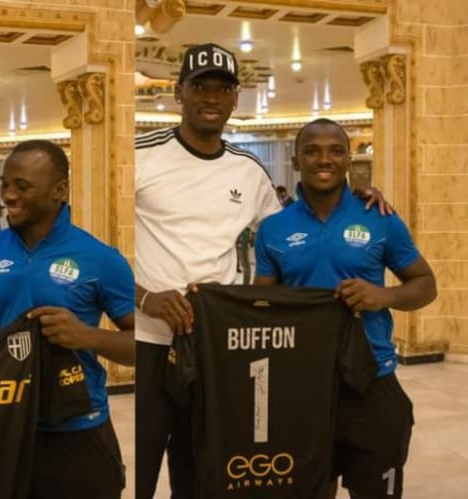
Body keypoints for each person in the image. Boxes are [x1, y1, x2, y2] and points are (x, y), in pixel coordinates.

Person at [134, 43, 392, 499]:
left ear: (235, 99)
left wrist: (354, 196)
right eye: (200, 87)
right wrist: (144, 299)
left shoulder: (248, 170)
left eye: (223, 88)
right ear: (178, 93)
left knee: (207, 459)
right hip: (150, 338)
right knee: (143, 461)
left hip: (217, 341)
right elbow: (96, 244)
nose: (211, 97)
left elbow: (287, 233)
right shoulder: (139, 155)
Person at [253, 119, 436, 499]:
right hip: (302, 385)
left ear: (349, 159)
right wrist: (210, 300)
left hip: (372, 381)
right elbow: (262, 306)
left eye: (336, 150)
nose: (325, 159)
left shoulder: (380, 217)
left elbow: (425, 285)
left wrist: (382, 296)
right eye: (312, 151)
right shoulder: (274, 229)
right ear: (296, 159)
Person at [0, 140, 135, 499]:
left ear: (59, 190)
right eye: (5, 184)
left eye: (22, 186)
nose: (8, 195)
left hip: (79, 433)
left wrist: (87, 336)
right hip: (4, 425)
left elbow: (144, 346)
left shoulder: (101, 258)